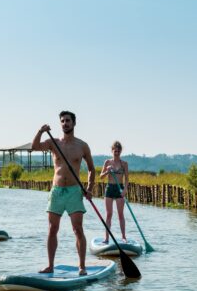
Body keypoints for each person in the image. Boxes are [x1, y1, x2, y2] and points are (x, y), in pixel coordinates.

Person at [31, 111, 95, 276]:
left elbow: (91, 169)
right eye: (62, 121)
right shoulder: (54, 142)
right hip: (57, 191)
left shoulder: (82, 145)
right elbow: (35, 147)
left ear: (74, 123)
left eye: (68, 121)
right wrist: (40, 131)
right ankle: (50, 265)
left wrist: (89, 188)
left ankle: (82, 266)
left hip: (74, 191)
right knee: (52, 229)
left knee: (78, 229)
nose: (65, 123)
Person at [99, 141, 129, 243]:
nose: (116, 153)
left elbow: (127, 179)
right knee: (109, 214)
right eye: (115, 151)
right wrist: (107, 171)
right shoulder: (107, 162)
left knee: (120, 214)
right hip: (110, 189)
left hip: (119, 188)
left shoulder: (124, 164)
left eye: (118, 151)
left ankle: (124, 237)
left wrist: (125, 190)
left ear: (121, 151)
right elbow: (101, 177)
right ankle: (106, 238)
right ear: (112, 151)